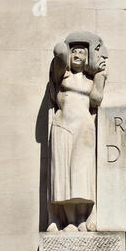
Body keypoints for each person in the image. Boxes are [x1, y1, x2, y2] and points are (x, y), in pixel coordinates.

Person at [47, 31, 108, 232]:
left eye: (82, 53)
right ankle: (69, 220)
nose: (77, 55)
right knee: (65, 177)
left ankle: (82, 218)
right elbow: (60, 55)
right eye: (74, 52)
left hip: (84, 128)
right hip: (64, 127)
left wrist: (100, 76)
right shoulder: (62, 76)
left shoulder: (90, 82)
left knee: (81, 175)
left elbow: (96, 100)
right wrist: (65, 49)